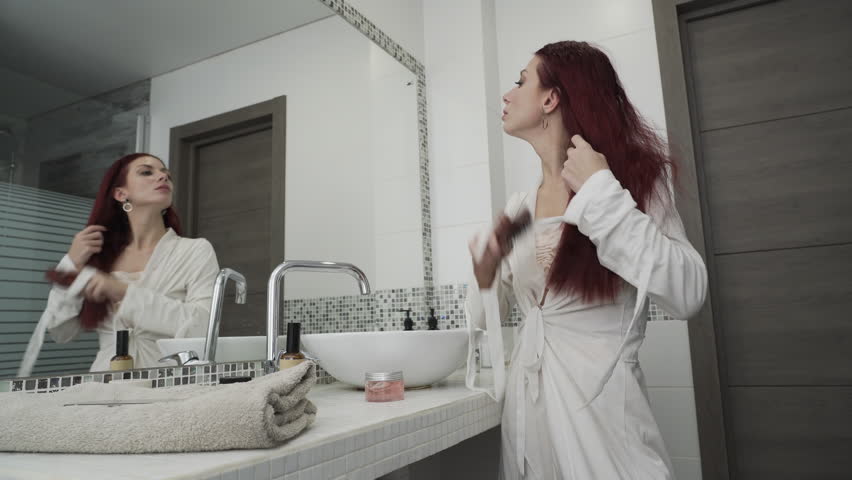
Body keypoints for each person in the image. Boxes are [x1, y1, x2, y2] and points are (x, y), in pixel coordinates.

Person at [465, 41, 708, 479]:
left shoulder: (629, 184)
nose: (507, 94)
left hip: (603, 427)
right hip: (530, 426)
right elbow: (482, 320)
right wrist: (483, 278)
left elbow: (688, 293)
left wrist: (600, 192)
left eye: (521, 81)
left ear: (551, 99)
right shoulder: (520, 209)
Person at [19, 153, 219, 376]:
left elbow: (204, 327)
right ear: (121, 194)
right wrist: (71, 264)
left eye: (167, 174)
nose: (163, 177)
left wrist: (123, 292)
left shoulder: (194, 251)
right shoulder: (99, 257)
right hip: (105, 384)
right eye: (147, 172)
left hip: (169, 383)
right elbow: (61, 332)